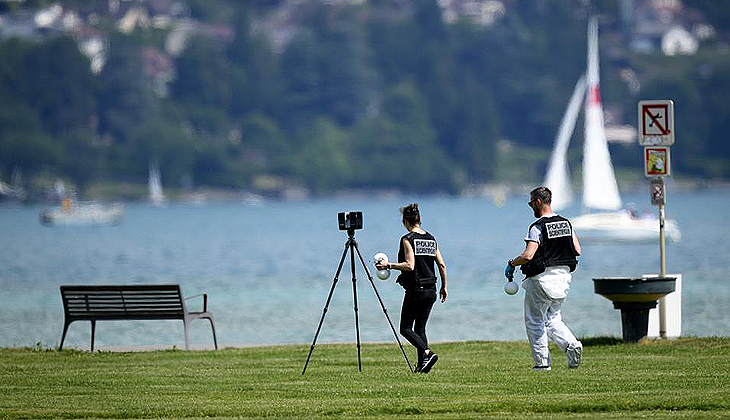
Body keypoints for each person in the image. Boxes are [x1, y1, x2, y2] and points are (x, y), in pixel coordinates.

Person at [504, 187, 583, 371]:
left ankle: (542, 363)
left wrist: (512, 264)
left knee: (535, 320)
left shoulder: (537, 227)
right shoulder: (566, 224)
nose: (531, 207)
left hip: (541, 279)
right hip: (563, 279)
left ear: (539, 201)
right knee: (553, 318)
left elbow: (528, 255)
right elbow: (577, 250)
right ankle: (572, 344)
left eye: (531, 203)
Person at [376, 203, 447, 373]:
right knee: (420, 328)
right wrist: (444, 286)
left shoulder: (407, 239)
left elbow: (410, 265)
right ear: (419, 219)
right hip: (432, 290)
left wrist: (388, 265)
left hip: (417, 290)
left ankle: (427, 353)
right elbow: (442, 265)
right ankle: (423, 365)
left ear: (405, 221)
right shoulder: (431, 239)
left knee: (405, 328)